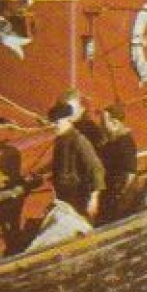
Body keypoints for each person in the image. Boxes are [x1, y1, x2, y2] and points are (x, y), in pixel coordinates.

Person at [49, 94, 106, 223]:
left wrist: (94, 199)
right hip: (65, 198)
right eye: (52, 123)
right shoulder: (60, 141)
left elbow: (96, 168)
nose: (54, 126)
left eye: (57, 123)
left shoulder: (79, 141)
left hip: (80, 198)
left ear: (68, 120)